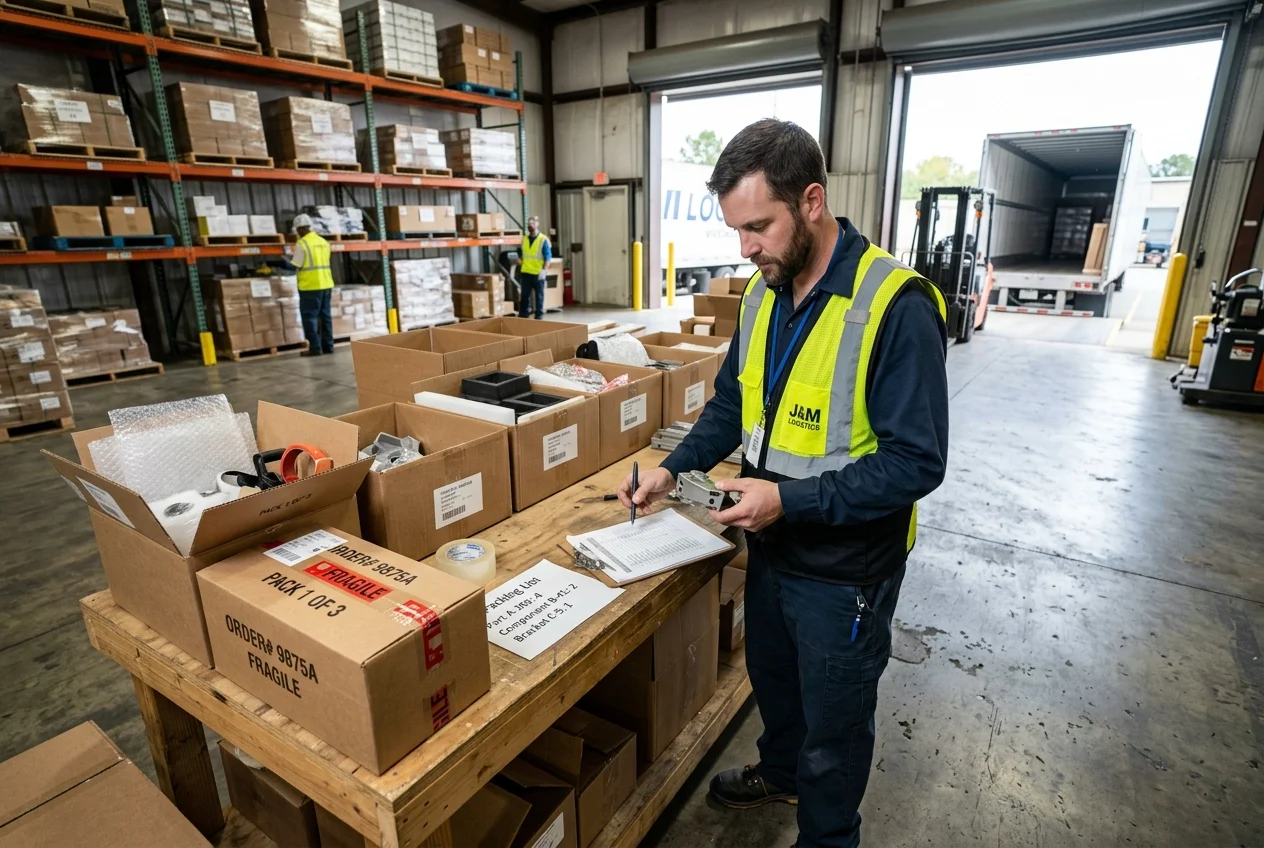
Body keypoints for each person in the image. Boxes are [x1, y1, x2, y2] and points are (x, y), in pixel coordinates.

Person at [618, 119, 950, 848]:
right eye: (736, 230)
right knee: (776, 685)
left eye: (758, 227)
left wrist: (788, 500)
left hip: (845, 572)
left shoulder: (895, 306)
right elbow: (735, 406)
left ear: (811, 201)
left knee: (834, 732)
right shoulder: (763, 292)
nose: (745, 248)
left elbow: (916, 462)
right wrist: (676, 469)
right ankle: (779, 772)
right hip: (770, 547)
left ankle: (827, 836)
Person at [291, 213, 335, 356]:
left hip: (310, 286)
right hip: (326, 284)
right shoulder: (323, 242)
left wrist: (283, 261)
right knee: (325, 316)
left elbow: (297, 264)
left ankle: (315, 348)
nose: (297, 233)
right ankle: (328, 346)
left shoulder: (302, 244)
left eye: (297, 230)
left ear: (301, 229)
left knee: (310, 317)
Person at [518, 215, 552, 319]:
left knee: (539, 296)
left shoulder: (543, 239)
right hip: (526, 272)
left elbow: (547, 257)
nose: (530, 226)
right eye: (529, 224)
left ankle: (539, 316)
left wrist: (544, 270)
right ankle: (524, 315)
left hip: (538, 273)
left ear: (537, 224)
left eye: (532, 224)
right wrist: (520, 260)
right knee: (524, 296)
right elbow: (520, 252)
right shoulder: (524, 239)